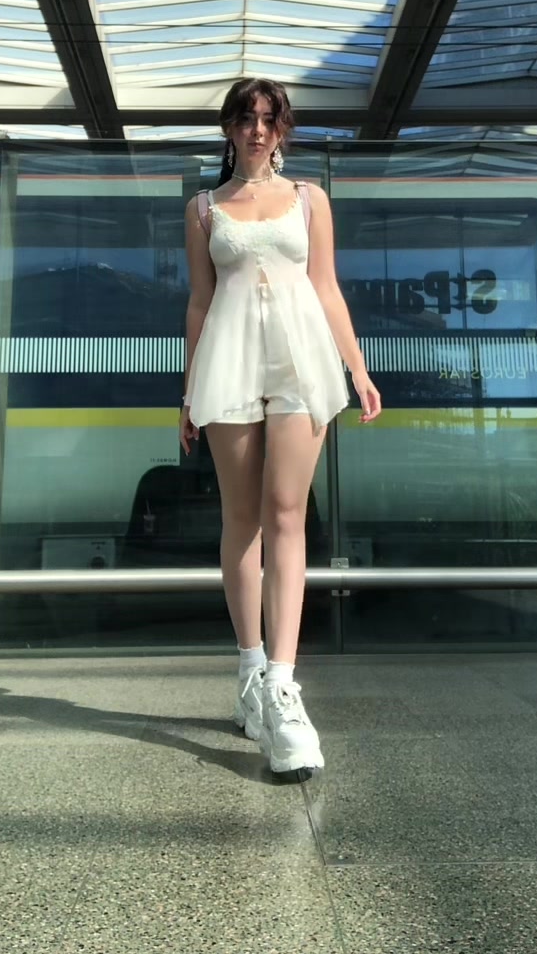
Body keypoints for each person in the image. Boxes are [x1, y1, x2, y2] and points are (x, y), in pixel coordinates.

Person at [180, 78, 381, 777]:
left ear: (282, 129)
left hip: (302, 360)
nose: (258, 130)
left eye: (269, 119)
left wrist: (357, 368)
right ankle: (250, 669)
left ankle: (283, 687)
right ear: (229, 129)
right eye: (246, 118)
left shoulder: (310, 199)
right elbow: (200, 302)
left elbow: (326, 287)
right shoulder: (203, 209)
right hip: (229, 361)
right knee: (243, 518)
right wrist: (187, 391)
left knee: (287, 512)